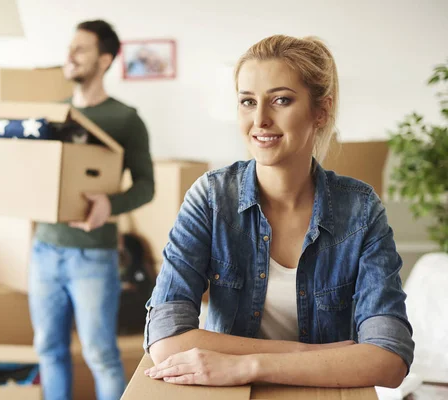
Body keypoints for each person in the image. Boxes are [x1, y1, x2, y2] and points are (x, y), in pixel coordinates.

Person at [143, 34, 414, 389]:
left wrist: (250, 366)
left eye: (281, 100)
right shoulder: (211, 197)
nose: (260, 119)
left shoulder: (360, 210)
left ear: (321, 110)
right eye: (247, 101)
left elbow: (389, 357)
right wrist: (306, 354)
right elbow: (166, 338)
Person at [28, 20, 154, 400]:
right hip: (44, 251)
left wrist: (110, 205)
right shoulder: (51, 116)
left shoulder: (126, 119)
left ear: (105, 59)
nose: (69, 56)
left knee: (101, 355)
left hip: (94, 256)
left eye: (80, 49)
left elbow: (147, 185)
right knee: (49, 351)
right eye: (70, 48)